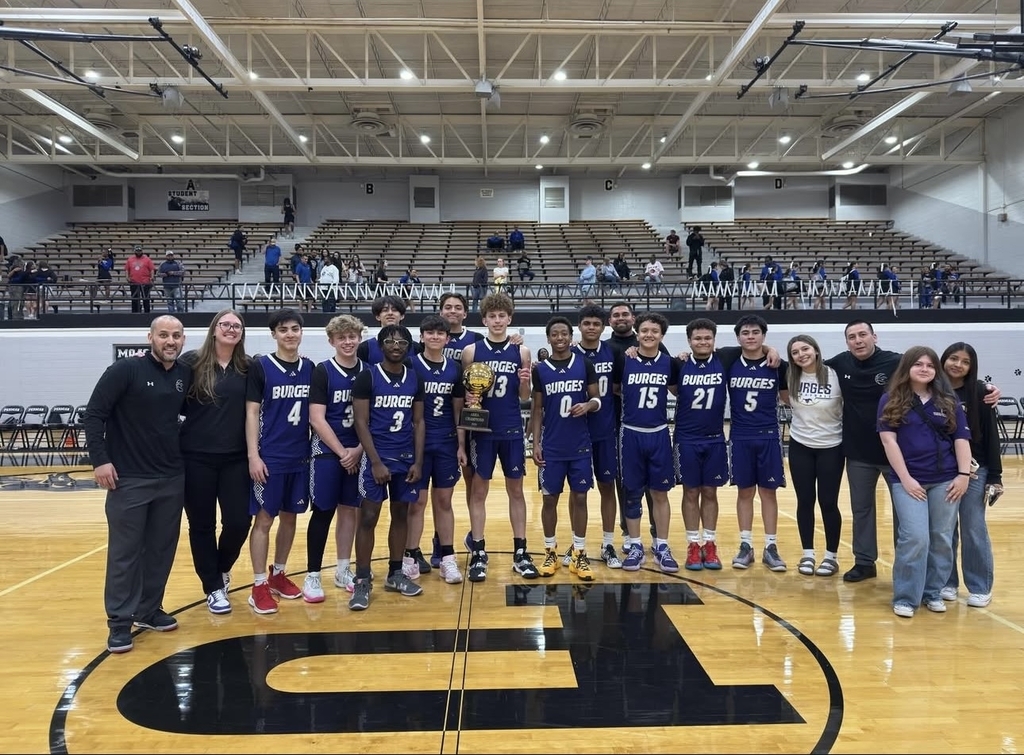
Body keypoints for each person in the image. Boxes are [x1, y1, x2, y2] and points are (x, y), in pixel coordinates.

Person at [84, 316, 190, 654]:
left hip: (171, 478)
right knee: (125, 554)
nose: (170, 341)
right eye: (163, 335)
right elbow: (94, 414)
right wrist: (100, 460)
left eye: (176, 335)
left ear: (183, 339)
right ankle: (118, 621)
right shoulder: (125, 370)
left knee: (160, 550)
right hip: (129, 479)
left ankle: (148, 610)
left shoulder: (183, 375)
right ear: (150, 337)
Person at [878, 346, 972, 618]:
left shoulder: (948, 400)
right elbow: (888, 440)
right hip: (908, 481)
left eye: (930, 366)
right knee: (915, 537)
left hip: (946, 480)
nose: (924, 369)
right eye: (918, 364)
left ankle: (932, 592)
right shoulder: (891, 399)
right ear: (907, 367)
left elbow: (961, 440)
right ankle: (906, 597)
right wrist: (906, 479)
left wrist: (963, 475)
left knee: (942, 538)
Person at [461, 292, 538, 582]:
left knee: (516, 491)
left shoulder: (522, 352)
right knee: (478, 491)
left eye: (501, 316)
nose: (497, 320)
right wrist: (470, 398)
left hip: (512, 430)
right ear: (484, 320)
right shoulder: (471, 351)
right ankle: (479, 550)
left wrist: (526, 382)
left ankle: (520, 551)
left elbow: (524, 397)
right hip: (482, 431)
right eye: (491, 316)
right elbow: (468, 393)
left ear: (509, 318)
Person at [180, 310, 252, 615]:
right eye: (226, 324)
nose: (231, 329)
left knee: (238, 522)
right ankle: (212, 587)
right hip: (196, 458)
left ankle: (221, 569)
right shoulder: (190, 363)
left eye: (237, 326)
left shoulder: (249, 368)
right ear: (214, 329)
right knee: (202, 525)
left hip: (236, 458)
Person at [349, 324, 426, 610]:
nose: (396, 345)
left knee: (401, 515)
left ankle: (396, 573)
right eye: (391, 341)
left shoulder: (414, 378)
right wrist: (376, 461)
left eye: (402, 341)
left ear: (408, 347)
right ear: (381, 345)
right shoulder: (367, 377)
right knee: (368, 518)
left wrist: (418, 461)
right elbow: (361, 422)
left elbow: (418, 422)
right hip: (376, 459)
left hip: (406, 459)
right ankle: (362, 580)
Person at [245, 309, 315, 614]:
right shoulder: (261, 367)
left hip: (300, 456)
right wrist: (253, 455)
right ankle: (258, 584)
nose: (290, 334)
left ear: (301, 332)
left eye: (295, 328)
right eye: (283, 329)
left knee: (290, 517)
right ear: (274, 334)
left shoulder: (311, 368)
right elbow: (251, 413)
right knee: (264, 520)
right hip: (270, 458)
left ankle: (278, 574)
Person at [531, 316, 601, 580]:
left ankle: (579, 553)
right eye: (555, 334)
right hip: (552, 446)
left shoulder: (584, 364)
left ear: (571, 336)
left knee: (580, 497)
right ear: (548, 338)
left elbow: (597, 399)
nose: (559, 338)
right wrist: (535, 443)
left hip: (580, 445)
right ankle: (550, 550)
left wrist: (588, 405)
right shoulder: (541, 369)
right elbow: (537, 410)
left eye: (564, 334)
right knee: (549, 499)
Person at [304, 315, 367, 601]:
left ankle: (343, 568)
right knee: (323, 511)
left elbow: (374, 418)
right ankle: (313, 574)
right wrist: (343, 452)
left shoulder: (368, 371)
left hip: (358, 450)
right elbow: (316, 418)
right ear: (332, 341)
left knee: (350, 511)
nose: (348, 341)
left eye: (352, 336)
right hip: (329, 453)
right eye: (341, 337)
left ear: (359, 338)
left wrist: (359, 450)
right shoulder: (323, 371)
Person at [613, 312, 678, 572]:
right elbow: (616, 388)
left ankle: (661, 545)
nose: (649, 335)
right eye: (644, 330)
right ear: (637, 333)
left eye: (654, 331)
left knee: (660, 493)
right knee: (632, 493)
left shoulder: (670, 363)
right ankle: (636, 544)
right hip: (630, 432)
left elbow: (677, 390)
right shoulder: (625, 359)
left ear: (661, 336)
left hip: (659, 432)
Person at [405, 314, 466, 584]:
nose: (434, 337)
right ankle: (409, 557)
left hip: (445, 442)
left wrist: (461, 445)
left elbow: (459, 410)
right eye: (429, 333)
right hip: (416, 444)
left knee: (444, 501)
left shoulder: (454, 368)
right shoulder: (410, 365)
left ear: (447, 338)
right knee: (417, 502)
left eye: (439, 333)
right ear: (421, 337)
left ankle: (448, 559)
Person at [940, 342, 1001, 607]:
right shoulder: (932, 390)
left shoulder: (980, 393)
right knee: (944, 529)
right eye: (953, 358)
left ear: (971, 367)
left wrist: (995, 477)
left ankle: (980, 586)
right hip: (941, 470)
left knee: (973, 527)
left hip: (976, 471)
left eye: (965, 362)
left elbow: (991, 436)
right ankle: (946, 582)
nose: (958, 365)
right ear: (944, 359)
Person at [727, 314, 790, 572]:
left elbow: (787, 399)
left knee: (768, 492)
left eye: (755, 332)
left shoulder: (778, 365)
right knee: (744, 492)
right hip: (740, 435)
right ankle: (745, 545)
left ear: (763, 336)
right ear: (738, 337)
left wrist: (771, 351)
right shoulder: (729, 359)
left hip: (768, 436)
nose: (750, 336)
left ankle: (771, 547)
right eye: (745, 333)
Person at [673, 318, 732, 571]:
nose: (702, 342)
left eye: (707, 338)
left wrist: (771, 350)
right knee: (691, 492)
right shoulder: (679, 364)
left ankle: (709, 542)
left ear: (714, 340)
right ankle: (692, 544)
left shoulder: (724, 361)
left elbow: (756, 349)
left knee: (710, 492)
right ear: (689, 341)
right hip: (686, 438)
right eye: (697, 338)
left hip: (715, 438)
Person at [786, 334, 844, 577]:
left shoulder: (835, 373)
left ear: (816, 350)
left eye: (805, 349)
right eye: (795, 352)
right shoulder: (788, 375)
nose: (801, 354)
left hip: (832, 446)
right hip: (800, 446)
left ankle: (831, 557)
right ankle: (807, 553)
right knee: (805, 501)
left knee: (828, 502)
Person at [572, 305, 623, 569]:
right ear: (579, 326)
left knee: (607, 486)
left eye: (596, 323)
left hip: (605, 430)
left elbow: (620, 386)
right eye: (587, 323)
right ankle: (576, 542)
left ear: (603, 327)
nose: (591, 327)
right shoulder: (568, 354)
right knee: (577, 491)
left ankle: (607, 542)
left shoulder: (613, 352)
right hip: (576, 433)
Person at [357, 295, 406, 364]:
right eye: (385, 310)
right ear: (377, 316)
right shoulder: (364, 348)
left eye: (394, 310)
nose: (390, 313)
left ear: (402, 316)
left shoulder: (414, 347)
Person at [125, 245, 155, 314]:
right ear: (135, 251)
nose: (138, 252)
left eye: (140, 251)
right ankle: (135, 313)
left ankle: (147, 313)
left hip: (145, 282)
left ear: (142, 251)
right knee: (135, 299)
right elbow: (127, 269)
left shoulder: (147, 259)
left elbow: (152, 269)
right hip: (134, 282)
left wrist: (152, 277)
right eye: (137, 251)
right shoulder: (130, 259)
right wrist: (127, 277)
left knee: (146, 299)